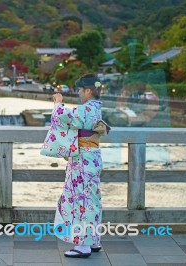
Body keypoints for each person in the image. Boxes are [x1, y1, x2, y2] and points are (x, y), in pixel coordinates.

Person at [51, 74, 110, 258]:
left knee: (81, 200)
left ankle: (83, 245)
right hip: (92, 157)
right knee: (92, 199)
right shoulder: (96, 109)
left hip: (83, 159)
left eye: (79, 90)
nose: (78, 94)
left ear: (88, 91)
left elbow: (63, 117)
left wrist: (58, 103)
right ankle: (93, 240)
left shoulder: (85, 110)